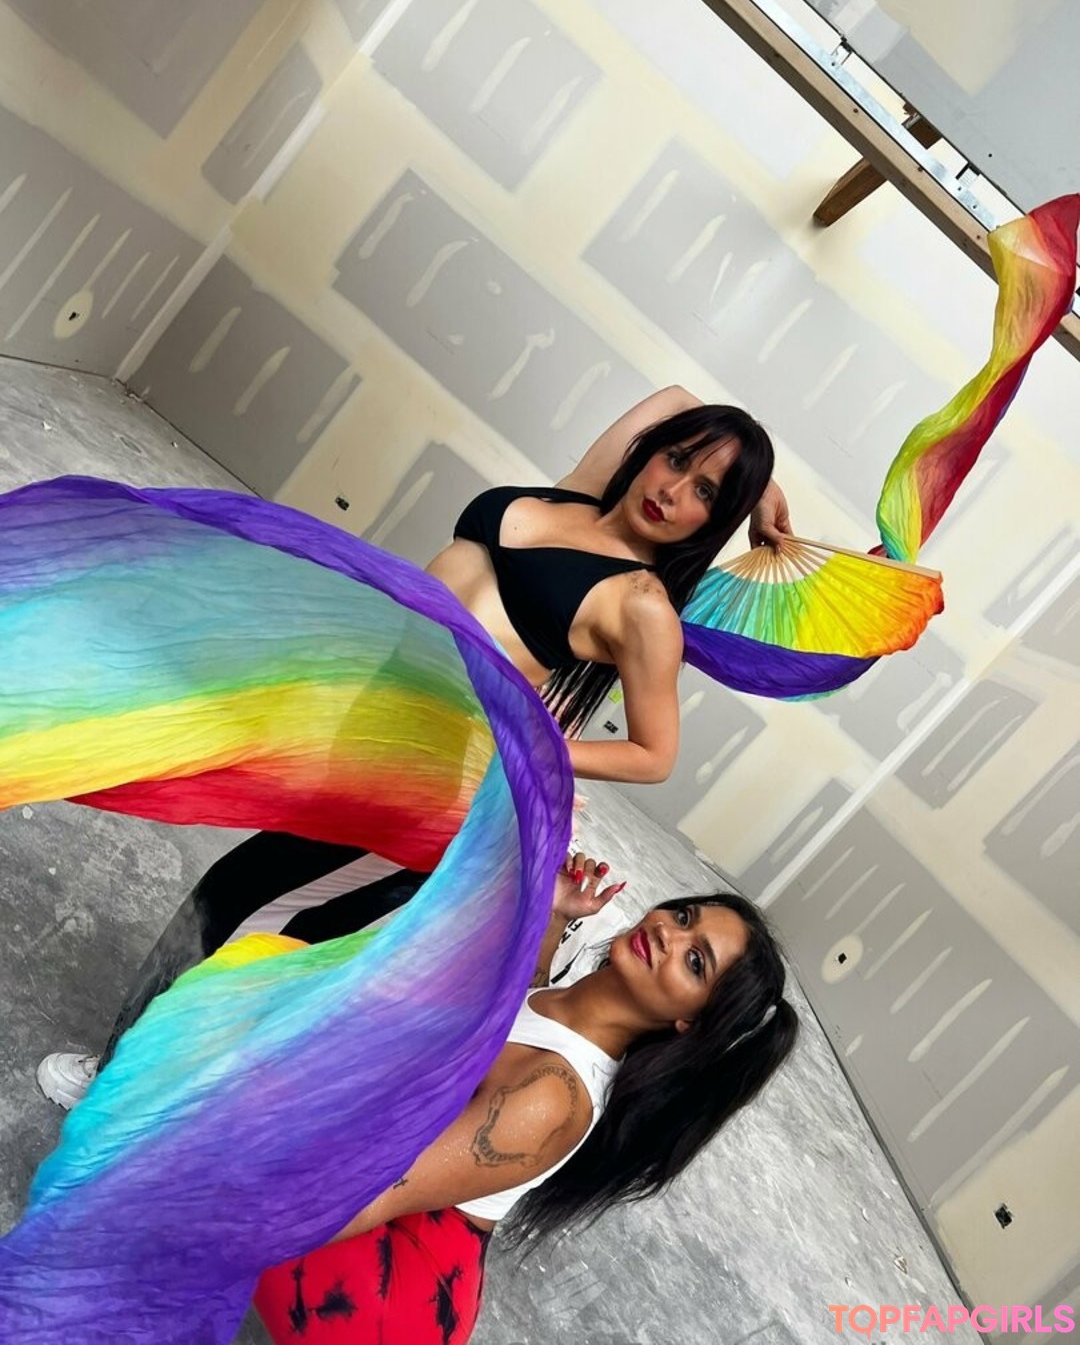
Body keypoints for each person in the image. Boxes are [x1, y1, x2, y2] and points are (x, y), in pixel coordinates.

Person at [38, 386, 793, 1107]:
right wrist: (755, 483)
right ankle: (147, 1085)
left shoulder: (642, 605)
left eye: (704, 493)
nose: (673, 489)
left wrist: (540, 747)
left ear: (713, 521)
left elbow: (655, 753)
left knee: (247, 916)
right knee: (247, 904)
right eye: (676, 460)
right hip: (368, 737)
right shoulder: (581, 494)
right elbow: (677, 398)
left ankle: (121, 1087)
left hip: (430, 792)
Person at [251, 855, 798, 1345]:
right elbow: (522, 1005)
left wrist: (227, 1207)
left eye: (695, 962)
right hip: (396, 1209)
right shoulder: (570, 1005)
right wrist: (555, 914)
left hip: (382, 1286)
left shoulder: (554, 1096)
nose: (667, 934)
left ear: (690, 1023)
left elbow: (373, 1195)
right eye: (683, 917)